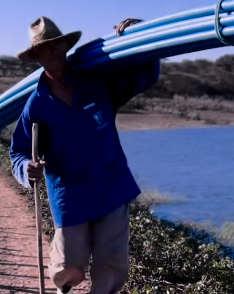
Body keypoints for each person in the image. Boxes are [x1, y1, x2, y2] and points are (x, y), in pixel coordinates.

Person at [9, 16, 160, 294]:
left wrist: (142, 37)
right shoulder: (37, 104)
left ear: (65, 47)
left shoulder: (97, 84)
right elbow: (18, 150)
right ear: (36, 56)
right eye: (46, 47)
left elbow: (143, 77)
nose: (53, 51)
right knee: (67, 264)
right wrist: (25, 169)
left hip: (110, 185)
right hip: (69, 195)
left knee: (112, 264)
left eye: (57, 45)